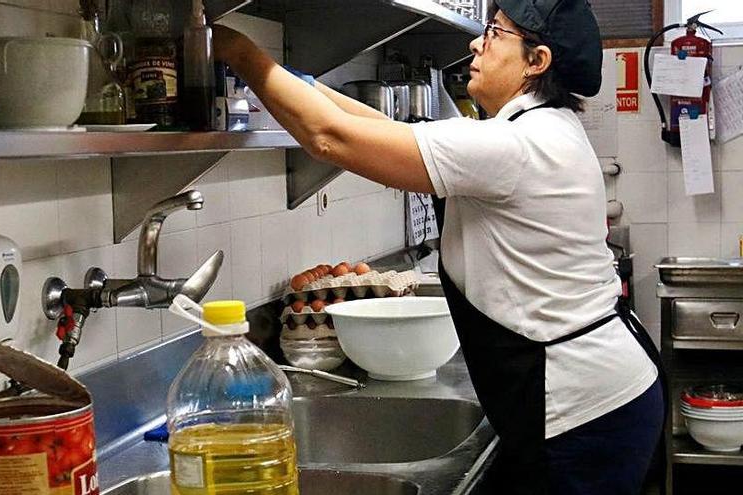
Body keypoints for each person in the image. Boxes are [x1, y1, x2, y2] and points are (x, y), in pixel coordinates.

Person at [213, 0, 665, 493]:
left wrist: (238, 50)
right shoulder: (534, 131)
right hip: (602, 391)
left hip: (581, 410)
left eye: (494, 33)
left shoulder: (515, 146)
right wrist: (307, 85)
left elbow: (328, 137)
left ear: (536, 62)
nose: (476, 42)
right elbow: (396, 134)